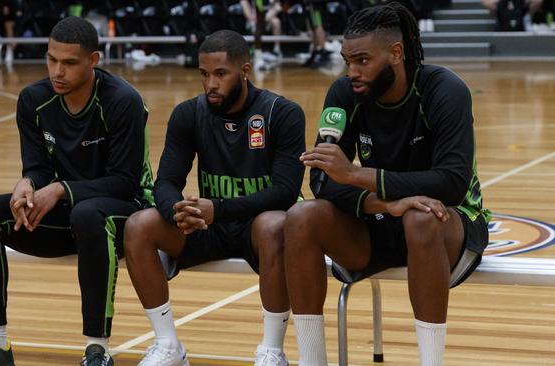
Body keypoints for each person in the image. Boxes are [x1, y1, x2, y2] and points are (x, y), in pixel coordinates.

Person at [284, 2, 491, 366]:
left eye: (362, 60)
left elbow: (452, 183)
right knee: (302, 216)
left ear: (396, 53)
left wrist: (356, 175)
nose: (352, 71)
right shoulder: (345, 94)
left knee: (421, 217)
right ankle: (311, 360)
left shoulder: (445, 90)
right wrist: (385, 204)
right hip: (381, 218)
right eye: (347, 60)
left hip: (452, 224)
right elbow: (321, 179)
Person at [0, 16, 154, 366]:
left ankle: (97, 348)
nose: (57, 71)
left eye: (69, 63)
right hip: (74, 216)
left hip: (129, 215)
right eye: (51, 59)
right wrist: (27, 185)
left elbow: (124, 183)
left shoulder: (123, 101)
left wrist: (60, 189)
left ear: (94, 61)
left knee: (88, 214)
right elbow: (37, 169)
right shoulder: (33, 100)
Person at [123, 29, 306, 366]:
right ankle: (168, 346)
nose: (210, 84)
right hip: (209, 228)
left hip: (256, 229)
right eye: (204, 74)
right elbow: (165, 182)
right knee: (139, 224)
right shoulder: (188, 113)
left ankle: (272, 351)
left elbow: (285, 191)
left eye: (220, 74)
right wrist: (177, 210)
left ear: (246, 71)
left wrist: (217, 209)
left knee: (274, 224)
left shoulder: (282, 113)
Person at [240, 0, 283, 71]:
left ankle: (274, 51)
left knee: (271, 21)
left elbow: (278, 7)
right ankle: (258, 59)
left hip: (266, 17)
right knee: (258, 26)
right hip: (254, 19)